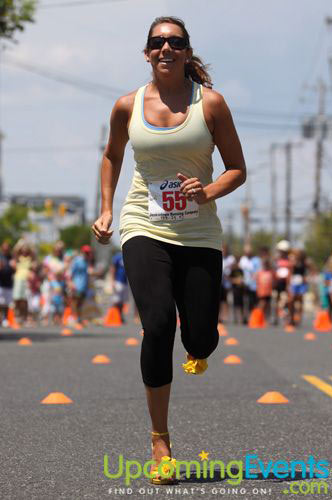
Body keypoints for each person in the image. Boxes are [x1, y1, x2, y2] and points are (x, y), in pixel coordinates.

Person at [91, 16, 246, 484]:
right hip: (144, 224)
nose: (165, 48)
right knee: (157, 324)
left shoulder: (211, 104)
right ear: (146, 53)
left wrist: (209, 191)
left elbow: (236, 168)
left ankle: (200, 344)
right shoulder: (126, 106)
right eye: (157, 42)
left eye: (175, 42)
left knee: (199, 336)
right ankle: (161, 441)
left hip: (198, 232)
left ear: (185, 52)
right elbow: (112, 155)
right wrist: (105, 210)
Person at [110, 250, 129, 324]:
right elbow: (113, 268)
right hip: (118, 281)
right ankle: (114, 316)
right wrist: (112, 280)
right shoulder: (117, 256)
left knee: (122, 301)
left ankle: (120, 316)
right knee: (116, 300)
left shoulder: (128, 255)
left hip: (125, 282)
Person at [0, 242, 15, 327]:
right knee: (0, 302)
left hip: (9, 283)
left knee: (6, 303)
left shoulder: (11, 257)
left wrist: (14, 267)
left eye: (7, 248)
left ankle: (5, 318)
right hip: (1, 283)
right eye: (4, 248)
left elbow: (14, 270)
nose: (6, 250)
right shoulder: (0, 256)